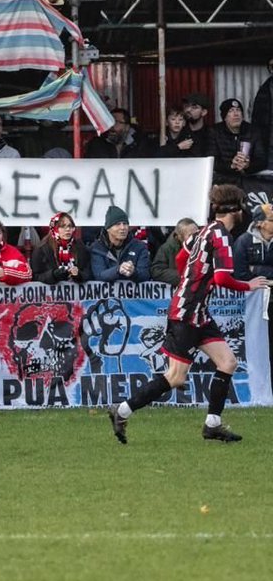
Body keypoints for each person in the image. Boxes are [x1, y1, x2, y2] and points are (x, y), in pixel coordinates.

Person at [108, 184, 269, 444]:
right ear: (236, 210)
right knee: (175, 377)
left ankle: (212, 425)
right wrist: (248, 285)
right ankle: (122, 410)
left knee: (227, 362)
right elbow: (222, 278)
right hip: (187, 313)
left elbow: (183, 257)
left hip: (197, 312)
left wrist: (190, 280)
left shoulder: (202, 231)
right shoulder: (222, 238)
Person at [208, 98, 265, 185]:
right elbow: (212, 160)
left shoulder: (253, 131)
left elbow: (262, 159)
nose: (236, 114)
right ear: (225, 117)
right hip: (223, 181)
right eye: (231, 111)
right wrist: (231, 165)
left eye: (238, 110)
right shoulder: (215, 131)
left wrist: (248, 165)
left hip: (249, 181)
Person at [89, 206, 151, 283]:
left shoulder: (140, 247)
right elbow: (99, 275)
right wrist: (118, 270)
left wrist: (133, 272)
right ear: (108, 228)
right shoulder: (97, 248)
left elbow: (145, 275)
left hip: (132, 294)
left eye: (125, 224)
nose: (122, 228)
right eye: (117, 224)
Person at [30, 212, 90, 284]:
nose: (67, 229)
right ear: (54, 228)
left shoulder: (79, 246)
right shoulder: (42, 249)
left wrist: (78, 275)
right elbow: (35, 277)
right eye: (62, 226)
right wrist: (54, 274)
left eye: (70, 226)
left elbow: (88, 273)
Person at [85, 108, 151, 159]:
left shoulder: (139, 145)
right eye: (109, 121)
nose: (111, 125)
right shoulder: (97, 145)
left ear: (127, 127)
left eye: (116, 122)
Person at [152, 218, 199, 285]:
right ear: (179, 237)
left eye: (197, 233)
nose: (195, 238)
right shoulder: (167, 249)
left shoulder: (204, 246)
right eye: (190, 235)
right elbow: (156, 271)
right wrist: (184, 275)